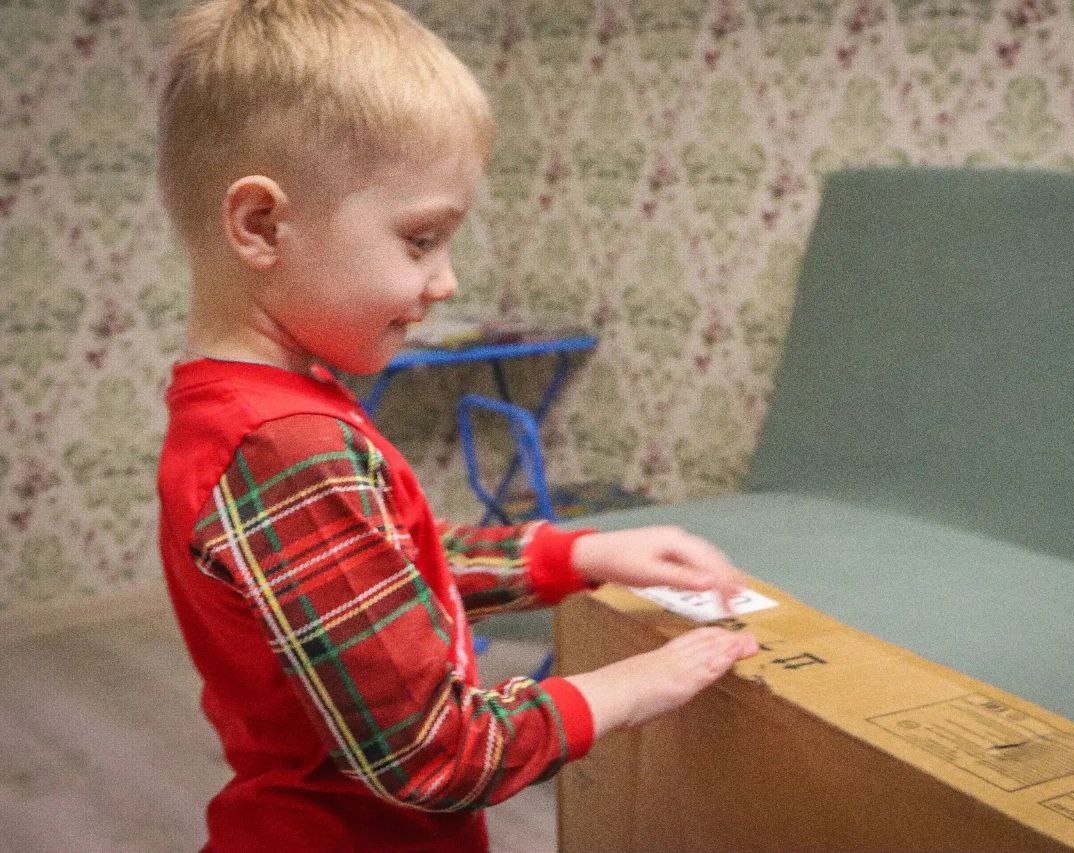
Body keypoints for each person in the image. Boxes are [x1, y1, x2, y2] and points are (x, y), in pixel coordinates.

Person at [153, 1, 758, 850]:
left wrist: (578, 554)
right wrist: (633, 686)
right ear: (262, 225)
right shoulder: (282, 446)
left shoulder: (251, 412)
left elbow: (392, 569)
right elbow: (437, 755)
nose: (446, 281)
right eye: (420, 239)